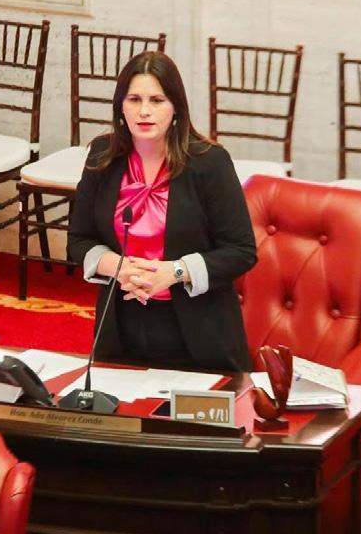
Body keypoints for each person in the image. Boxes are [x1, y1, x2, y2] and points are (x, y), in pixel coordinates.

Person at [67, 51, 257, 372]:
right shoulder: (103, 155)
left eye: (157, 100)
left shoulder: (210, 163)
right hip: (121, 326)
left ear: (176, 108)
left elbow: (241, 251)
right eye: (134, 99)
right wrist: (118, 267)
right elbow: (79, 239)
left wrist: (175, 272)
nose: (144, 111)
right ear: (120, 106)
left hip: (199, 334)